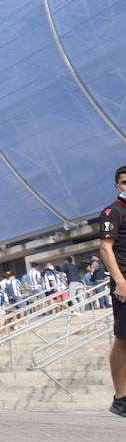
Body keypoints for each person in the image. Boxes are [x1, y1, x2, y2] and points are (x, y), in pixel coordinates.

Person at [99, 167, 126, 418]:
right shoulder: (112, 212)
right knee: (124, 340)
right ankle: (121, 399)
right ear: (117, 185)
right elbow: (106, 249)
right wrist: (120, 281)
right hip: (125, 286)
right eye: (124, 182)